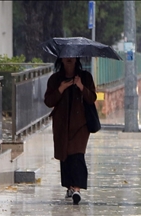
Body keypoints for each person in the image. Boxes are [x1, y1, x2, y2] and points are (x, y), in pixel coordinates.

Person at [44, 57, 97, 205]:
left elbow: (92, 97)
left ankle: (77, 189)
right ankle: (70, 186)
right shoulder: (55, 79)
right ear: (61, 58)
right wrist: (61, 88)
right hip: (61, 125)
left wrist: (81, 86)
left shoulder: (85, 77)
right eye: (66, 56)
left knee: (77, 155)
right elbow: (48, 101)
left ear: (76, 59)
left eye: (72, 56)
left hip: (81, 125)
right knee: (65, 155)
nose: (69, 58)